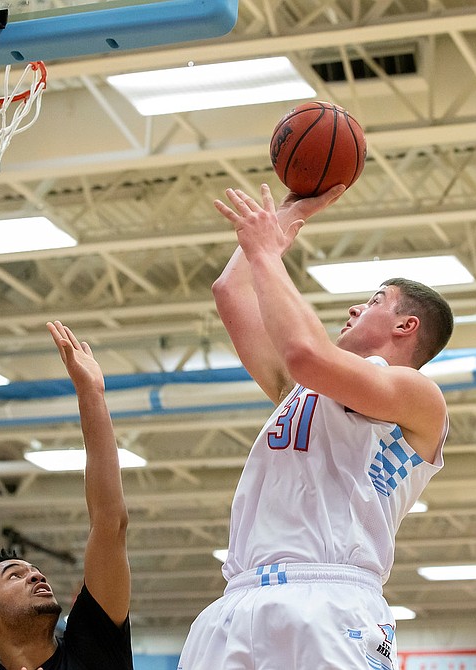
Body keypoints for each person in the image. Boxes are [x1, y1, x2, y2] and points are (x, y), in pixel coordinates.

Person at [178, 184, 453, 670]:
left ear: (405, 326)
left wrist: (267, 252)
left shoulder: (418, 397)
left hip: (330, 600)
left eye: (374, 301)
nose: (353, 308)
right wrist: (290, 211)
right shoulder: (299, 388)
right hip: (236, 601)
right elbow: (230, 292)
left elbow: (306, 354)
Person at [0, 321, 133, 670]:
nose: (36, 576)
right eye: (15, 575)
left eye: (33, 570)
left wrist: (91, 395)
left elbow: (109, 523)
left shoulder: (93, 642)